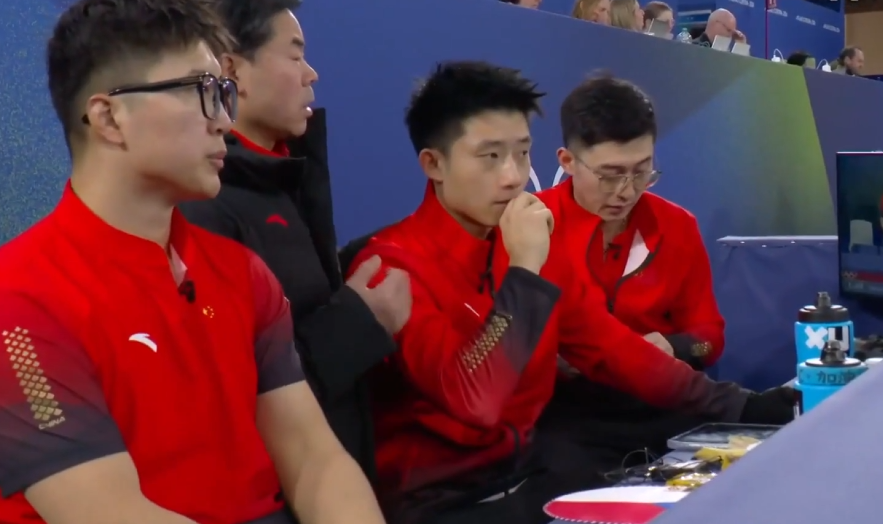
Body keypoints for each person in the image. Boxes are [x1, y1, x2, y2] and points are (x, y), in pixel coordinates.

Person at [339, 61, 790, 524]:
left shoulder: (529, 244)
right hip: (442, 505)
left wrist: (745, 405)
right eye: (490, 156)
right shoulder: (392, 266)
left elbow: (615, 350)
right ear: (434, 164)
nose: (513, 176)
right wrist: (524, 271)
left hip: (529, 479)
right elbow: (477, 400)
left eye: (522, 153)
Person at [0, 2, 385, 524]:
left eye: (224, 94)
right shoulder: (17, 301)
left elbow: (316, 462)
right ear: (109, 117)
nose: (224, 120)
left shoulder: (243, 274)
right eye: (203, 92)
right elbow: (108, 512)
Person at [178, 0, 408, 481]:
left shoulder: (285, 179)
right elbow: (237, 392)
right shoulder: (202, 205)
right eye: (296, 55)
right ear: (232, 71)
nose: (311, 74)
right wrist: (361, 321)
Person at [535, 75, 794, 476]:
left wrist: (675, 346)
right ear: (567, 161)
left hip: (668, 406)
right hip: (567, 421)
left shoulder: (677, 226)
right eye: (609, 175)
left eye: (642, 171)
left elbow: (711, 337)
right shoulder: (531, 227)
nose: (626, 190)